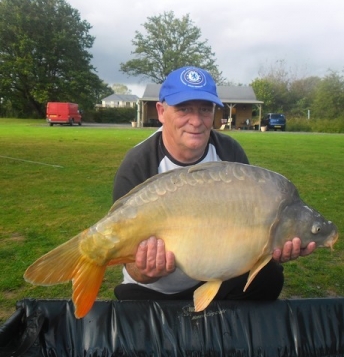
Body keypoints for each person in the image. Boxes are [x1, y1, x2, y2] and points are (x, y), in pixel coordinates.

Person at [112, 66, 316, 303]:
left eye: (205, 109)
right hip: (154, 289)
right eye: (184, 109)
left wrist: (275, 244)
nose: (196, 121)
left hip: (215, 278)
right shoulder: (138, 164)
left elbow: (251, 227)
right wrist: (144, 271)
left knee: (269, 278)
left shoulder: (229, 153)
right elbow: (131, 265)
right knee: (135, 305)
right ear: (161, 111)